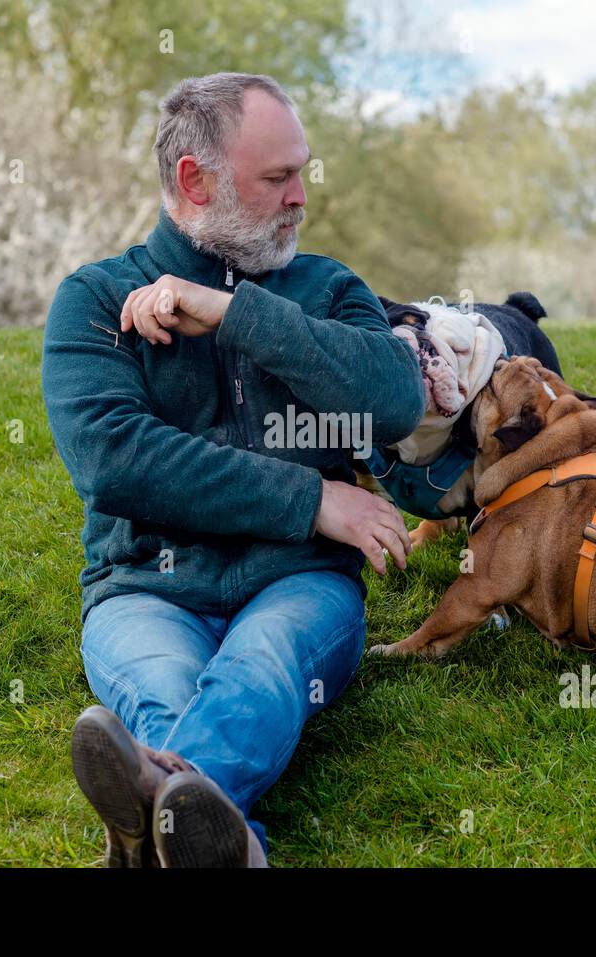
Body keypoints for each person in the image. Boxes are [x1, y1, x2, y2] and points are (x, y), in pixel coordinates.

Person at [41, 72, 426, 867]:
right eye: (278, 178)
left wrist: (234, 312)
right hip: (145, 589)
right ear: (195, 180)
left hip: (299, 587)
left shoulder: (326, 289)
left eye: (302, 173)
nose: (300, 198)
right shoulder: (92, 299)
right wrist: (310, 497)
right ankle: (229, 849)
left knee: (264, 661)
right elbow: (118, 461)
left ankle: (148, 829)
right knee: (163, 688)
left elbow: (393, 400)